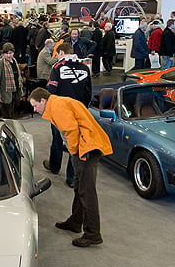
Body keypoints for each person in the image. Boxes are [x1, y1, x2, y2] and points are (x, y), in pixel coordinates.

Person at [29, 87, 112, 247]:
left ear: (43, 101)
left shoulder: (58, 105)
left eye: (35, 105)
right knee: (79, 188)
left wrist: (75, 153)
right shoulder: (58, 103)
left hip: (85, 150)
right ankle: (75, 222)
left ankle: (92, 234)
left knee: (87, 192)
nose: (35, 109)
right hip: (85, 147)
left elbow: (71, 130)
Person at [45, 43, 91, 187]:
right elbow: (89, 91)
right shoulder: (85, 67)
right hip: (79, 111)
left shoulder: (57, 67)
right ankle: (72, 178)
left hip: (60, 112)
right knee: (75, 145)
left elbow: (51, 90)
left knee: (57, 140)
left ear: (61, 52)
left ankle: (54, 166)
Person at [0, 42, 24, 118]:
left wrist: (21, 89)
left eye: (11, 53)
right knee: (7, 116)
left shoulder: (14, 61)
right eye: (7, 53)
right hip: (4, 94)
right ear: (3, 53)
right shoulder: (0, 63)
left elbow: (18, 77)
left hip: (14, 91)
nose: (9, 55)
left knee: (12, 114)